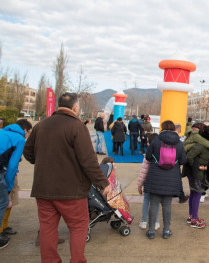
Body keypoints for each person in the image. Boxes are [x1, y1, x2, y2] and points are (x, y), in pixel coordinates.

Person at [23, 92, 111, 262]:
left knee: (47, 229)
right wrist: (103, 182)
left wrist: (43, 162)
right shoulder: (77, 126)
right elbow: (88, 161)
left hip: (43, 189)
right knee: (78, 227)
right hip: (71, 191)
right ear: (75, 107)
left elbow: (28, 152)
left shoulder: (41, 125)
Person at [143, 120, 187, 239]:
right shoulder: (179, 143)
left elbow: (148, 156)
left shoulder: (157, 140)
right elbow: (183, 160)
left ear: (162, 128)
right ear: (174, 128)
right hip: (172, 178)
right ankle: (166, 230)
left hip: (155, 176)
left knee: (154, 204)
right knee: (167, 205)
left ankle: (151, 231)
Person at [0, 119, 32, 249]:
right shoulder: (19, 139)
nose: (27, 135)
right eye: (28, 133)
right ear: (24, 130)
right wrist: (8, 186)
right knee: (3, 202)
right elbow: (13, 167)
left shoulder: (2, 132)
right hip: (3, 171)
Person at [182, 124, 209, 229]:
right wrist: (199, 167)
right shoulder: (201, 145)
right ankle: (194, 219)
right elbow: (189, 157)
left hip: (195, 172)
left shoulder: (205, 144)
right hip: (194, 172)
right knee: (197, 193)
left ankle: (191, 216)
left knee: (194, 193)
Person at [137, 133, 160, 231]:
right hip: (158, 182)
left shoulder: (148, 154)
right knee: (156, 202)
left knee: (146, 201)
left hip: (148, 182)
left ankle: (144, 221)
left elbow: (144, 171)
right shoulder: (161, 152)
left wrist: (139, 184)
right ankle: (156, 222)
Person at [100, 157, 133, 224]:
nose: (114, 164)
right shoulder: (110, 174)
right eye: (113, 163)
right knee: (120, 205)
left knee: (122, 202)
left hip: (110, 194)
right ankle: (127, 218)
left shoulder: (105, 173)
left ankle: (125, 217)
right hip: (110, 196)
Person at [174, 124, 189, 204]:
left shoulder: (161, 138)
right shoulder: (179, 142)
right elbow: (183, 159)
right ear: (178, 130)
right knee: (178, 181)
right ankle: (181, 197)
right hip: (175, 164)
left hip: (163, 162)